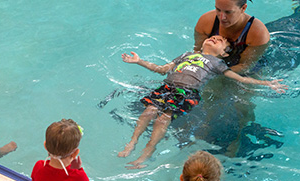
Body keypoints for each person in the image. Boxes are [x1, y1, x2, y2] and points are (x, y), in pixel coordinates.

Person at [118, 35, 287, 169]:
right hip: (167, 86)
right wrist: (139, 61)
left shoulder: (217, 63)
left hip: (186, 92)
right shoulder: (187, 55)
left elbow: (239, 78)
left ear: (224, 53)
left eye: (220, 40)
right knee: (148, 112)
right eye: (213, 36)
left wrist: (266, 83)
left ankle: (148, 151)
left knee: (163, 119)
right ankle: (132, 142)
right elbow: (162, 69)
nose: (214, 38)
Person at [194, 0, 270, 74]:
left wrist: (212, 73)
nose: (222, 17)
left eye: (228, 12)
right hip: (215, 63)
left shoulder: (258, 33)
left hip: (247, 69)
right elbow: (197, 52)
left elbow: (245, 66)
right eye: (218, 9)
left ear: (243, 8)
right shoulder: (206, 21)